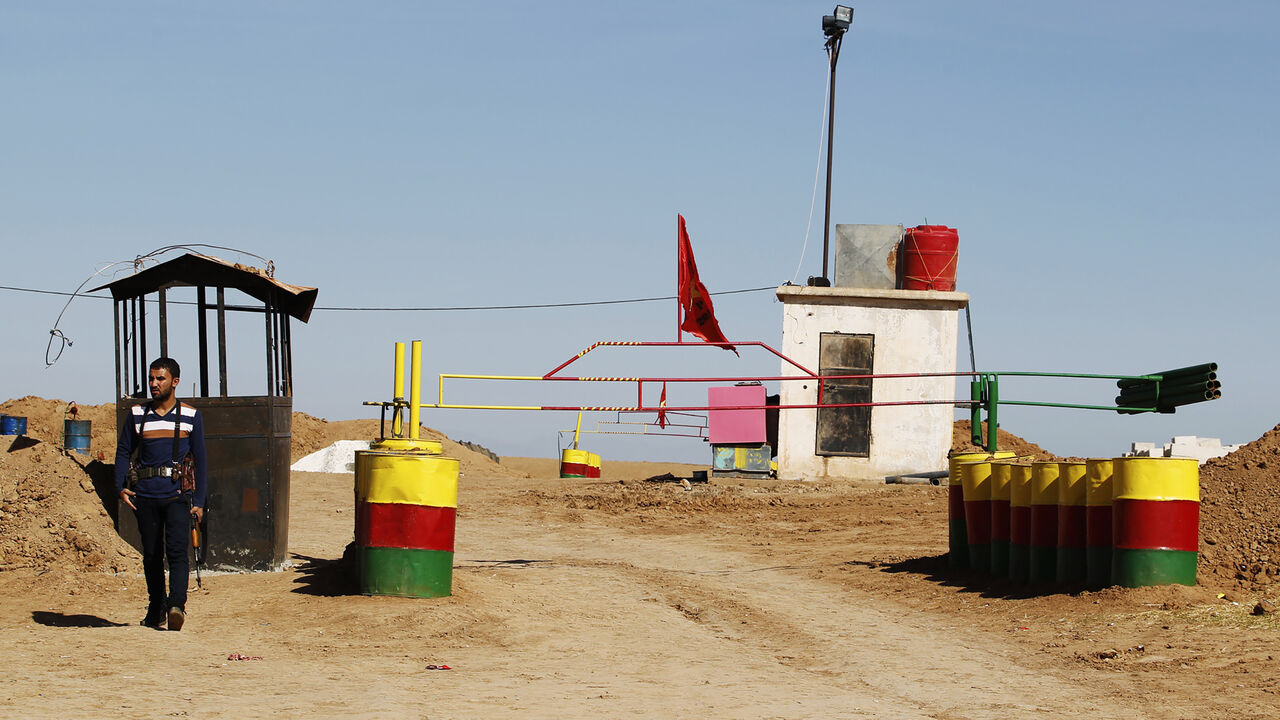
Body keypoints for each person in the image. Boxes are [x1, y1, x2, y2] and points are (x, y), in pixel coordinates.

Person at [114, 357, 207, 631]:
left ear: (174, 382)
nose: (153, 384)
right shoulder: (137, 414)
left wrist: (199, 501)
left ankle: (176, 605)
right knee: (152, 555)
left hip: (177, 496)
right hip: (145, 496)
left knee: (177, 552)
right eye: (151, 378)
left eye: (160, 379)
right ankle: (156, 608)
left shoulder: (191, 415)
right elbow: (123, 451)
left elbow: (201, 460)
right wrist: (120, 486)